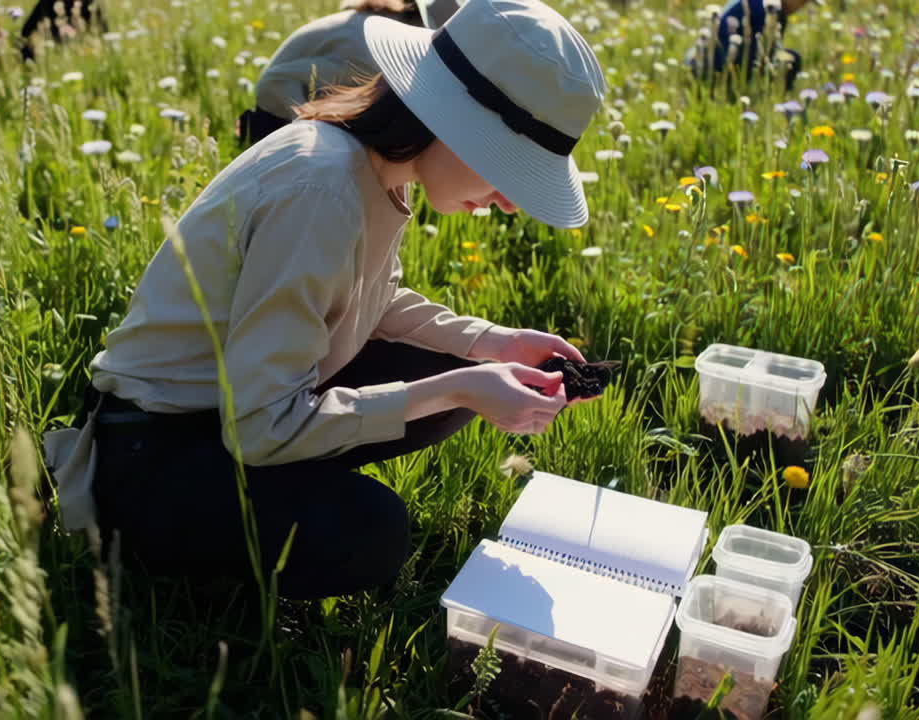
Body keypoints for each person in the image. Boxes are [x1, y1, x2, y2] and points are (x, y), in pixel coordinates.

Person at [44, 0, 608, 600]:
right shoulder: (322, 190)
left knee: (469, 370)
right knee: (370, 532)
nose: (509, 201)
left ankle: (287, 485)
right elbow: (259, 429)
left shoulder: (365, 167)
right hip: (153, 450)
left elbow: (367, 299)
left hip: (226, 411)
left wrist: (488, 343)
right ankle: (160, 539)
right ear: (455, 125)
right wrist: (459, 388)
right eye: (509, 171)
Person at [238, 0, 460, 146]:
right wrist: (307, 132)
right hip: (273, 130)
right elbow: (275, 80)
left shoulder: (380, 29)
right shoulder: (371, 50)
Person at [689, 0, 812, 91]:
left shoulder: (777, 12)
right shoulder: (763, 8)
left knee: (789, 59)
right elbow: (752, 54)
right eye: (801, 1)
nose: (801, 7)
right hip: (708, 67)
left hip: (717, 63)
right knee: (791, 60)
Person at [19, 0, 106, 62]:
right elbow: (26, 32)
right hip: (56, 53)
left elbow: (103, 33)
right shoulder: (47, 3)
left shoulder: (89, 3)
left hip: (84, 53)